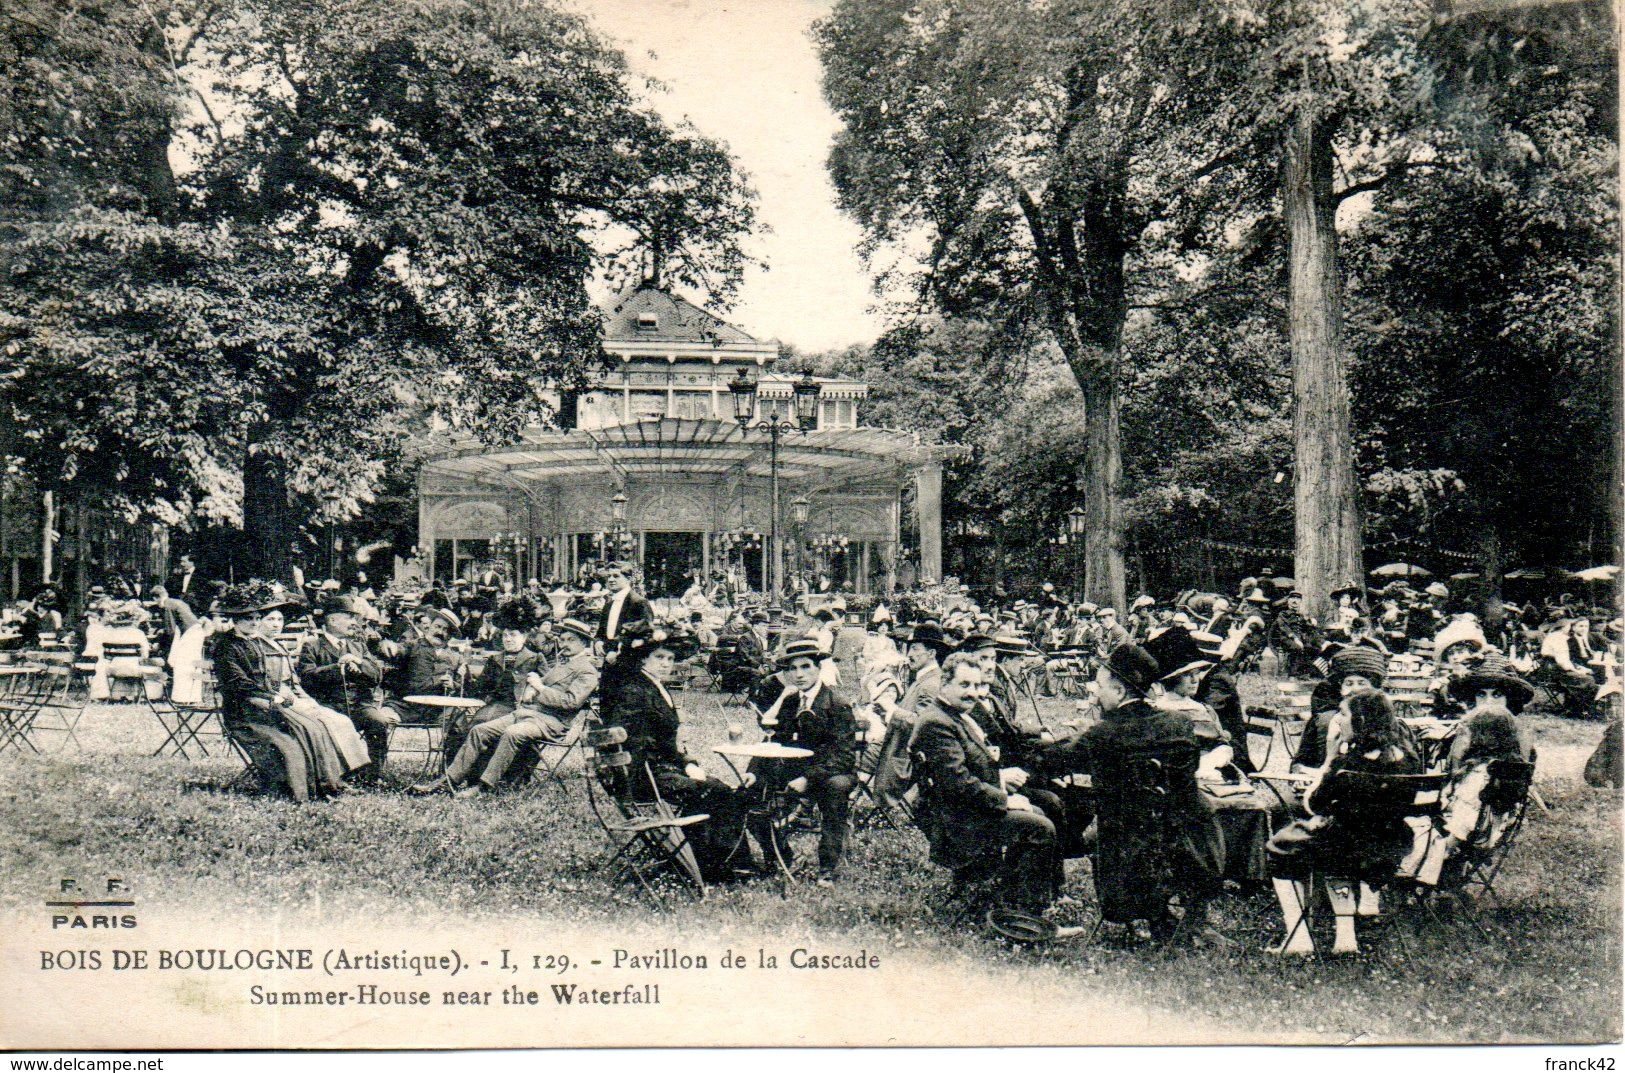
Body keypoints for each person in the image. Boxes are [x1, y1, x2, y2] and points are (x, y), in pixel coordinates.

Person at [1042, 643, 1224, 942]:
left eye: (1099, 686)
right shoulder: (1178, 724)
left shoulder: (1103, 735)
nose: (1095, 693)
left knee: (1093, 835)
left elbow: (1053, 761)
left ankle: (1151, 914)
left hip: (1130, 840)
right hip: (1192, 838)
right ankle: (1188, 918)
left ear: (1119, 691)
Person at [1266, 689, 1424, 956]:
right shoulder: (1408, 759)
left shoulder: (1347, 763)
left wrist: (1329, 758)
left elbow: (1313, 804)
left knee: (1280, 849)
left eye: (1343, 713)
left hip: (1344, 848)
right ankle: (1345, 939)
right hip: (1390, 846)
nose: (1338, 720)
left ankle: (1299, 938)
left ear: (1361, 720)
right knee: (1333, 851)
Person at [909, 653, 1065, 913]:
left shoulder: (954, 716)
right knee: (1039, 826)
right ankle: (1026, 914)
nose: (972, 693)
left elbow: (970, 771)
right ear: (944, 683)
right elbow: (958, 783)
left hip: (963, 811)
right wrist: (1004, 800)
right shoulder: (937, 723)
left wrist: (1001, 783)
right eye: (964, 685)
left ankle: (1010, 899)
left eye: (975, 685)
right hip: (957, 823)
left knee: (1037, 812)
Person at [608, 634, 752, 882]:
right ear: (643, 659)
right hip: (642, 777)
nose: (666, 663)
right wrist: (677, 768)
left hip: (657, 769)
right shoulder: (635, 691)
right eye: (659, 657)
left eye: (670, 658)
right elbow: (635, 743)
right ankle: (722, 867)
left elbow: (663, 744)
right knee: (718, 792)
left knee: (718, 789)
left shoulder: (654, 687)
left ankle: (715, 861)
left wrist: (687, 764)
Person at [212, 582, 355, 802]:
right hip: (243, 713)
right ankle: (299, 793)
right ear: (235, 620)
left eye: (256, 618)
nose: (253, 622)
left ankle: (326, 785)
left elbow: (269, 677)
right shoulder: (227, 646)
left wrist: (279, 695)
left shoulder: (255, 643)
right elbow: (237, 682)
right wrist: (271, 697)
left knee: (313, 728)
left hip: (268, 707)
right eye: (246, 618)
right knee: (290, 746)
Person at [425, 617, 599, 797]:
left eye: (571, 640)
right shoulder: (562, 663)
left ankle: (484, 787)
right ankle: (449, 780)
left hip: (553, 723)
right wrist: (533, 691)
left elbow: (571, 702)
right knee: (479, 730)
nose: (565, 644)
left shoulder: (587, 670)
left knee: (512, 733)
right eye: (562, 639)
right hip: (528, 713)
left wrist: (540, 688)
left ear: (584, 643)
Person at [1401, 654, 1534, 885]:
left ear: (1509, 698)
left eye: (1497, 695)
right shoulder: (1474, 725)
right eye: (1481, 694)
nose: (1488, 701)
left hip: (1476, 815)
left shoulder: (1515, 733)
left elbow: (1466, 772)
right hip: (1466, 811)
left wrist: (1460, 737)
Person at [751, 638, 858, 884]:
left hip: (828, 772)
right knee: (748, 792)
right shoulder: (789, 702)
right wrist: (754, 770)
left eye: (806, 666)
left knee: (836, 788)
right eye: (792, 669)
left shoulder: (837, 704)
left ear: (818, 668)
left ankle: (827, 868)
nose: (799, 674)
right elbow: (774, 741)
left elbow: (843, 755)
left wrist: (807, 778)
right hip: (794, 769)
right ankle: (781, 856)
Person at [298, 599, 401, 786]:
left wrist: (359, 663)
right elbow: (307, 678)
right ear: (332, 621)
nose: (354, 623)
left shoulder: (358, 647)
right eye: (348, 617)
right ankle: (340, 776)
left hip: (359, 704)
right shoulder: (312, 646)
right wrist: (338, 668)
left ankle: (373, 775)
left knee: (378, 722)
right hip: (329, 706)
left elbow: (377, 676)